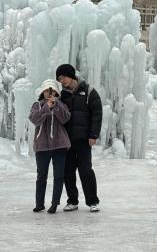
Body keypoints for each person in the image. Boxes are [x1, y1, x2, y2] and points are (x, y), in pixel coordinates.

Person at [55, 63, 103, 213]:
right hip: (66, 140)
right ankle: (72, 201)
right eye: (59, 79)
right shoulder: (62, 95)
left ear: (70, 75)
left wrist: (93, 134)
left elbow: (97, 113)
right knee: (67, 171)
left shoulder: (89, 91)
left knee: (86, 171)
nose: (61, 81)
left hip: (83, 140)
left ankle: (92, 201)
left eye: (62, 77)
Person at [29, 79, 71, 214]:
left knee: (59, 175)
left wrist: (56, 105)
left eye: (51, 91)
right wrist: (47, 107)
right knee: (41, 175)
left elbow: (65, 118)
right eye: (47, 90)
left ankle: (54, 203)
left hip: (59, 145)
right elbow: (35, 119)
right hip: (42, 146)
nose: (49, 93)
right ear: (42, 92)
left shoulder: (61, 105)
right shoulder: (37, 106)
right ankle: (39, 203)